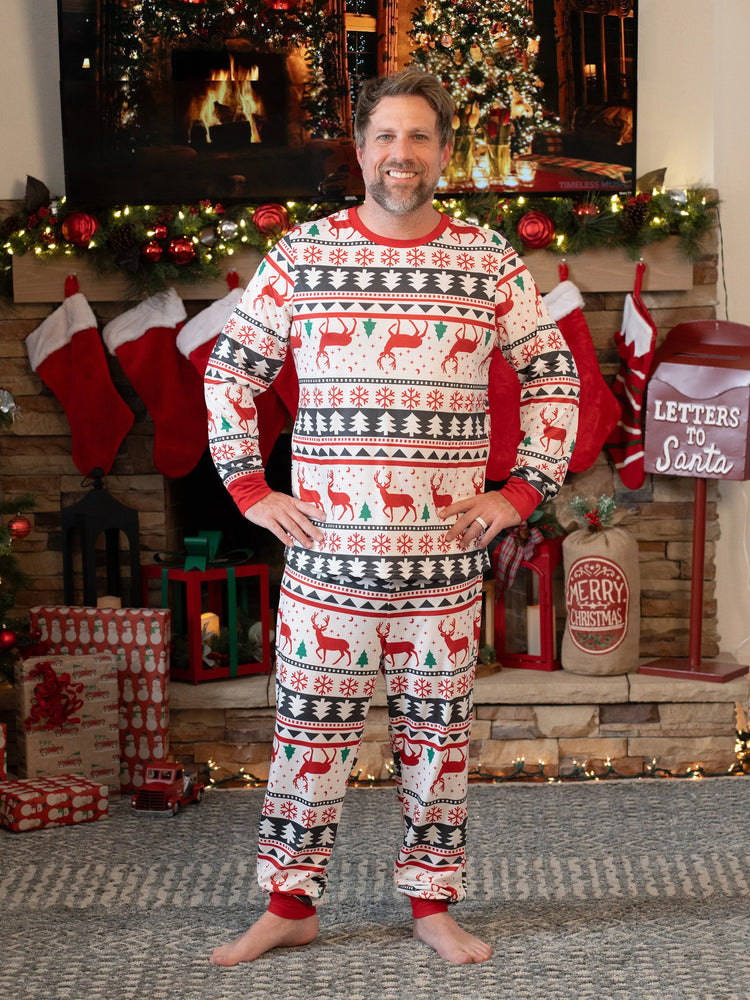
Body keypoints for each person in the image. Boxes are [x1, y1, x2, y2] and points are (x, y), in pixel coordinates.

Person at [204, 68, 579, 966]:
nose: (399, 156)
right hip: (327, 564)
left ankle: (432, 907)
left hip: (443, 567)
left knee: (438, 741)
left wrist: (520, 491)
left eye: (418, 139)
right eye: (384, 138)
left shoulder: (490, 262)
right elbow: (230, 371)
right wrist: (252, 491)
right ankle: (291, 904)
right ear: (360, 150)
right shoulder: (301, 255)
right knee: (307, 733)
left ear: (443, 153)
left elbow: (553, 376)